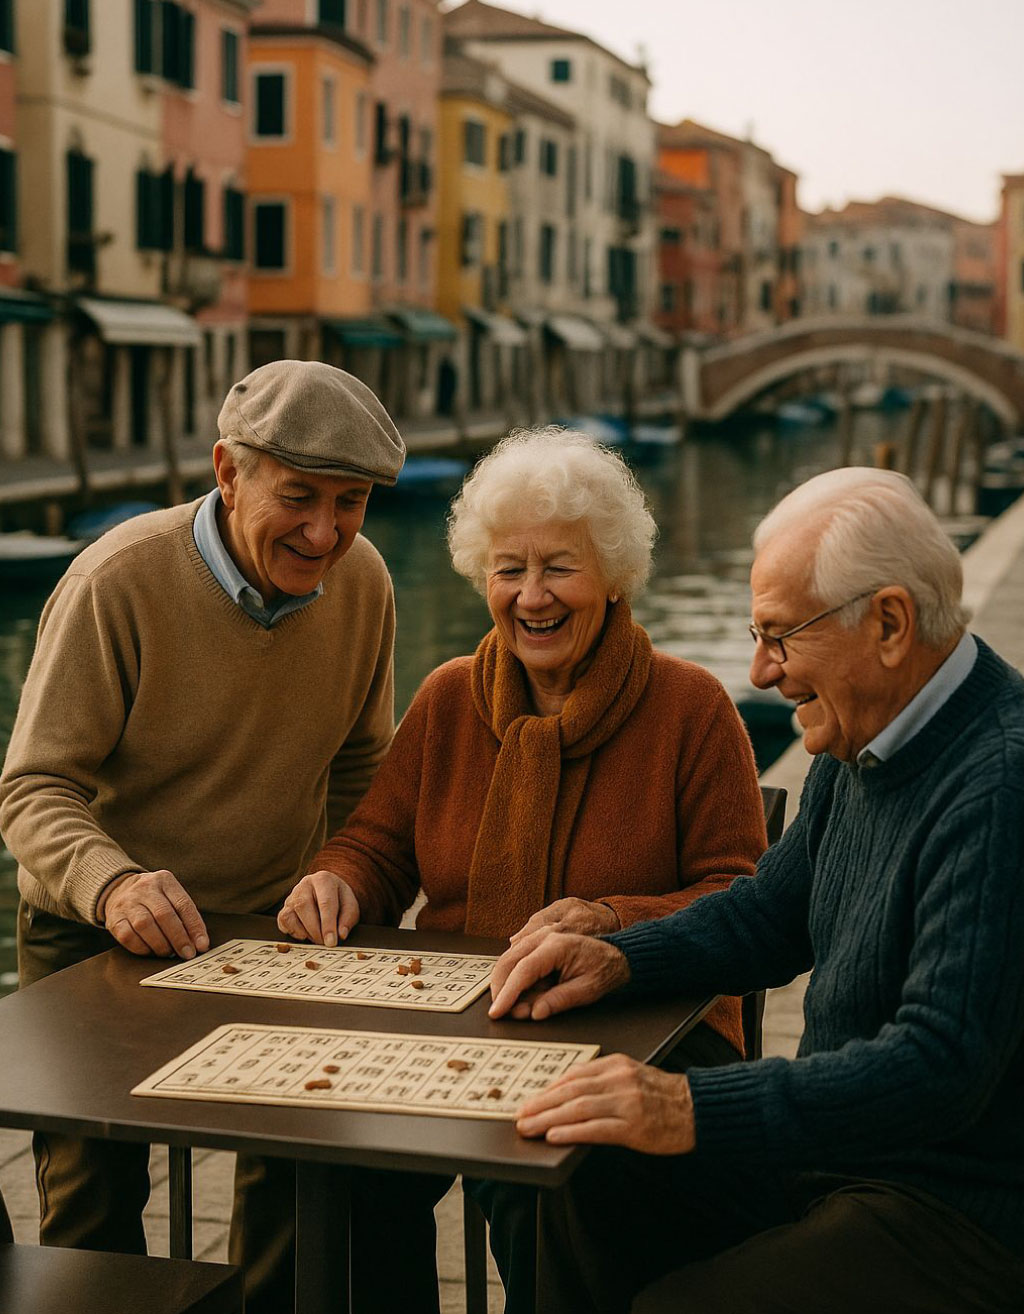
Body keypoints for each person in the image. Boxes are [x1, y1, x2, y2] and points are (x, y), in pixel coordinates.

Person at [488, 465, 1024, 1314]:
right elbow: (773, 915)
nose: (762, 671)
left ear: (889, 623)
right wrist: (618, 958)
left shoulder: (1000, 783)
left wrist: (687, 1104)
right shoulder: (866, 735)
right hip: (841, 1165)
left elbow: (939, 1066)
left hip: (957, 1212)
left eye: (780, 636)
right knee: (582, 1173)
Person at [278, 427, 767, 1312]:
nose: (531, 597)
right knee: (343, 1160)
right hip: (465, 1017)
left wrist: (611, 920)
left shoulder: (692, 709)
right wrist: (338, 880)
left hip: (646, 1020)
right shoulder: (446, 699)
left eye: (559, 569)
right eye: (510, 569)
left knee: (531, 1164)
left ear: (612, 574)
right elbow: (379, 845)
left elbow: (742, 897)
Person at [0, 359, 405, 1309]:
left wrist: (344, 869)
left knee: (292, 1169)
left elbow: (361, 764)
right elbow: (32, 788)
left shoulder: (367, 582)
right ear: (228, 472)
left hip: (274, 920)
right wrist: (113, 883)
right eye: (298, 497)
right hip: (94, 925)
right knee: (93, 1198)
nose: (325, 532)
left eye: (350, 504)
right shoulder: (117, 580)